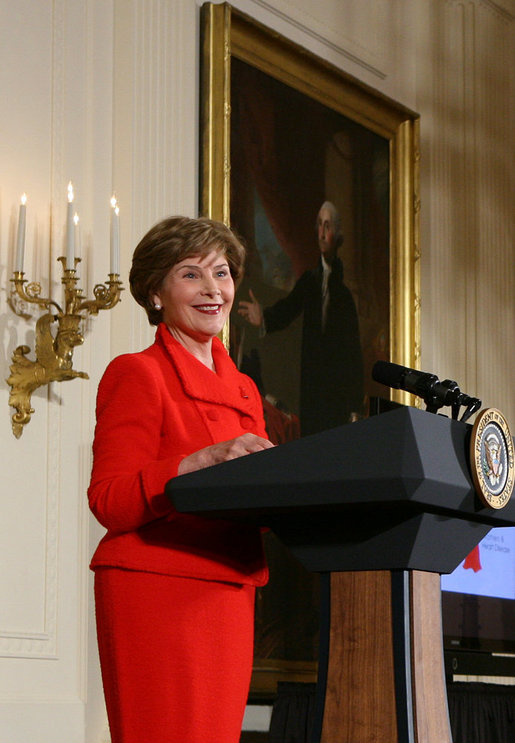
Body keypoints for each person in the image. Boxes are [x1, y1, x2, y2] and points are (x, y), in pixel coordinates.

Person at [88, 216, 274, 743]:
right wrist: (197, 463)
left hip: (229, 588)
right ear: (155, 292)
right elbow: (108, 499)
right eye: (191, 275)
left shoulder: (244, 391)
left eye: (222, 273)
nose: (213, 289)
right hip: (157, 588)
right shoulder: (137, 373)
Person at [238, 201, 364, 436]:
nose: (321, 233)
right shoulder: (310, 281)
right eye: (318, 225)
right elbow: (287, 309)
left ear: (337, 234)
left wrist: (355, 407)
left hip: (337, 394)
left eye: (327, 226)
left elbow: (353, 352)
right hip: (311, 389)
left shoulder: (345, 296)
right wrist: (263, 317)